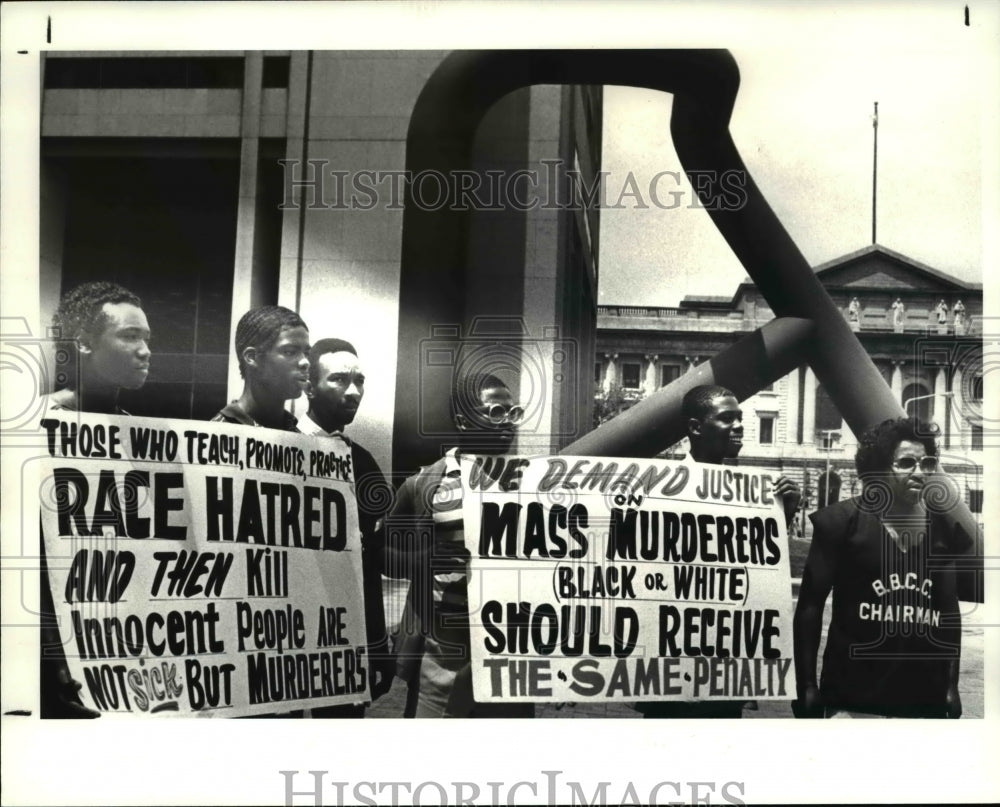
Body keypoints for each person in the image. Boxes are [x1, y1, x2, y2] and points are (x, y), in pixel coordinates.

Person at [639, 384, 801, 719]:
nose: (739, 425)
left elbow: (759, 569)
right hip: (670, 655)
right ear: (696, 428)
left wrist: (783, 513)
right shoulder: (658, 487)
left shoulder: (754, 494)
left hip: (724, 662)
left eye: (740, 417)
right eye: (727, 418)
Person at [793, 417, 968, 718]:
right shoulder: (839, 522)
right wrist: (807, 685)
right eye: (906, 463)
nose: (918, 473)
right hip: (852, 699)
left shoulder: (943, 529)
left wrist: (951, 685)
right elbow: (810, 606)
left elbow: (949, 615)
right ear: (878, 468)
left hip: (923, 700)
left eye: (926, 464)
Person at [385, 371, 534, 718]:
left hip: (508, 661)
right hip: (441, 660)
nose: (507, 424)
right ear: (463, 420)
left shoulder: (534, 483)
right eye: (496, 413)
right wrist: (423, 560)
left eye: (514, 414)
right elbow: (381, 554)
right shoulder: (425, 483)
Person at [41, 281, 152, 717]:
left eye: (147, 339)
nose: (145, 350)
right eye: (129, 336)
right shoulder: (34, 424)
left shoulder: (143, 437)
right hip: (56, 652)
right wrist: (53, 651)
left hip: (124, 649)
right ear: (84, 343)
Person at [299, 338, 395, 714]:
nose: (353, 391)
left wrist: (376, 644)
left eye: (359, 380)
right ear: (308, 385)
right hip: (279, 637)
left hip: (343, 640)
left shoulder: (365, 463)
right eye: (339, 379)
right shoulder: (272, 447)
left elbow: (368, 568)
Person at [210, 305, 309, 429]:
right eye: (289, 352)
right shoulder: (215, 437)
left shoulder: (301, 440)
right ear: (252, 357)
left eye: (306, 353)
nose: (305, 362)